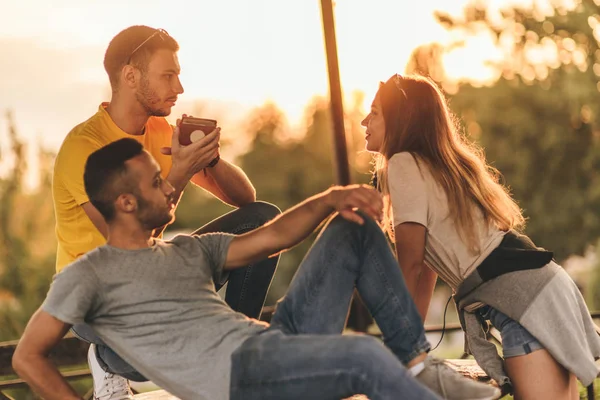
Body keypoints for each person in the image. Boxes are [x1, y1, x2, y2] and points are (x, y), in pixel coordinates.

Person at [14, 138, 501, 400]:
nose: (170, 188)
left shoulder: (186, 249)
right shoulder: (89, 274)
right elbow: (27, 357)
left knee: (352, 226)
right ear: (124, 201)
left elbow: (271, 236)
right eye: (157, 181)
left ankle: (419, 365)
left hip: (273, 343)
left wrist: (331, 199)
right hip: (239, 380)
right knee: (363, 358)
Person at [52, 25, 280, 398]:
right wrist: (181, 171)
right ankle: (107, 360)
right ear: (130, 76)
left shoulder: (162, 132)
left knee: (263, 219)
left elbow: (246, 199)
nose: (179, 88)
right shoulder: (85, 148)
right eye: (168, 75)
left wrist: (211, 157)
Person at [363, 73, 600, 399]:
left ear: (399, 118)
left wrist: (396, 340)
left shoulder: (402, 164)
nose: (364, 120)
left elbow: (411, 263)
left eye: (374, 112)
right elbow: (427, 268)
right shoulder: (432, 168)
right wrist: (409, 344)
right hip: (541, 293)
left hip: (526, 305)